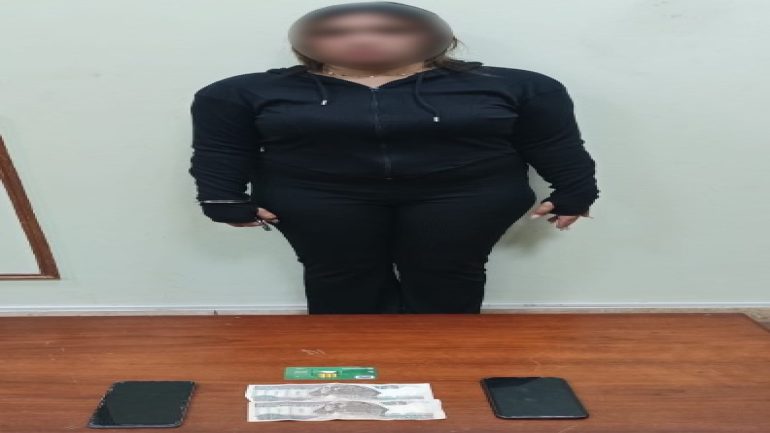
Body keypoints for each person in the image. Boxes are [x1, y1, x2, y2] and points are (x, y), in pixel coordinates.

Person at [188, 1, 600, 314]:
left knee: (446, 277)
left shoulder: (518, 86)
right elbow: (222, 149)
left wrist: (576, 191)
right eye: (338, 32)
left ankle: (444, 368)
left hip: (467, 195)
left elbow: (554, 143)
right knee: (342, 280)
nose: (364, 39)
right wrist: (221, 197)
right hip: (316, 197)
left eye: (391, 30)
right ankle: (353, 372)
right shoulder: (238, 92)